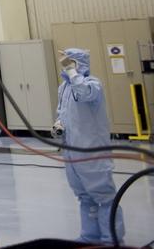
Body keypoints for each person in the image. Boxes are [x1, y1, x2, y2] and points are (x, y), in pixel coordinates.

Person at [55, 48, 124, 244]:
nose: (65, 66)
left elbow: (84, 93)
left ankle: (111, 239)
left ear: (78, 64)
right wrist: (58, 124)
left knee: (104, 196)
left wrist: (72, 71)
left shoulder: (93, 84)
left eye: (69, 63)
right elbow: (62, 111)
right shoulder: (64, 87)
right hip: (71, 151)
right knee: (84, 196)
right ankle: (89, 237)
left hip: (92, 152)